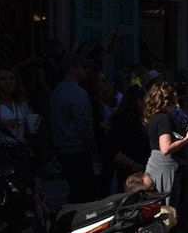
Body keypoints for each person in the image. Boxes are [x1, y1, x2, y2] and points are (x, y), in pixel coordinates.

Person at [50, 53, 99, 202]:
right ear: (74, 69)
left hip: (61, 150)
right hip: (77, 150)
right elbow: (84, 126)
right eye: (83, 68)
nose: (86, 72)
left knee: (74, 191)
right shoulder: (77, 93)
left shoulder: (56, 91)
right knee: (84, 193)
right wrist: (93, 151)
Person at [144, 81, 188, 201]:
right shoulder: (163, 119)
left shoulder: (157, 117)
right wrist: (187, 139)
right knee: (167, 206)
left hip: (159, 165)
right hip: (165, 168)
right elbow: (165, 148)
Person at [106, 85, 150, 192]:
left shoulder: (137, 120)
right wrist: (134, 165)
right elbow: (113, 149)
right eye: (146, 101)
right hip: (129, 172)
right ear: (138, 102)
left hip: (136, 169)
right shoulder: (124, 121)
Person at [0, 68, 33, 143]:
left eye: (12, 79)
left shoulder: (22, 104)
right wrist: (2, 126)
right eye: (3, 79)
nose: (8, 81)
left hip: (20, 147)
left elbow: (28, 127)